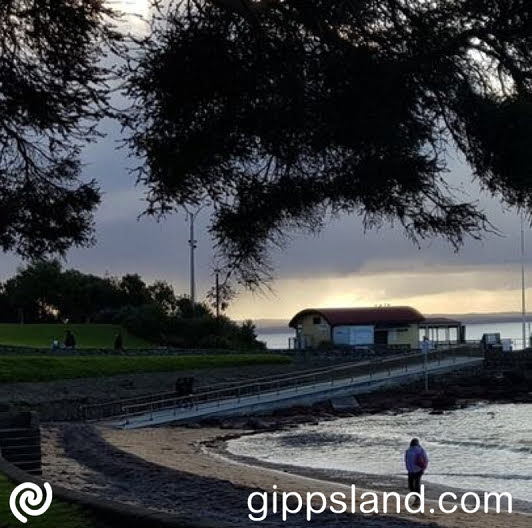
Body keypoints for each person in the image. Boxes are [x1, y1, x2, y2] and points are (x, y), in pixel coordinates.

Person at [405, 438, 429, 505]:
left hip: (411, 471)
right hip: (418, 470)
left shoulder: (408, 451)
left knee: (411, 486)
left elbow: (406, 461)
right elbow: (426, 460)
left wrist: (408, 468)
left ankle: (417, 499)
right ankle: (418, 498)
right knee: (416, 485)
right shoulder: (421, 450)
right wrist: (424, 468)